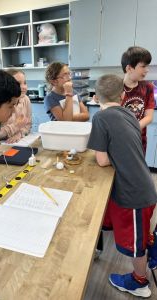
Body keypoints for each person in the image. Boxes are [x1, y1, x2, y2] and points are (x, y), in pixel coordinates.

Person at [87, 74, 157, 298]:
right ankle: (152, 251)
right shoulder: (129, 113)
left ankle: (139, 282)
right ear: (122, 95)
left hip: (134, 194)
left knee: (135, 243)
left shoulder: (101, 117)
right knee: (142, 233)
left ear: (96, 97)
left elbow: (102, 160)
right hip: (145, 185)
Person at [121, 46, 155, 152]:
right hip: (119, 140)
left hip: (138, 141)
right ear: (129, 68)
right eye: (143, 66)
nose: (147, 70)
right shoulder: (116, 87)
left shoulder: (148, 87)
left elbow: (149, 117)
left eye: (147, 66)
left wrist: (131, 129)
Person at [0, 69, 32, 143]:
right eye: (18, 83)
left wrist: (19, 134)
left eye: (25, 83)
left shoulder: (25, 99)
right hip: (0, 144)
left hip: (18, 142)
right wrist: (15, 126)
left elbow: (28, 125)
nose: (24, 87)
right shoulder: (0, 103)